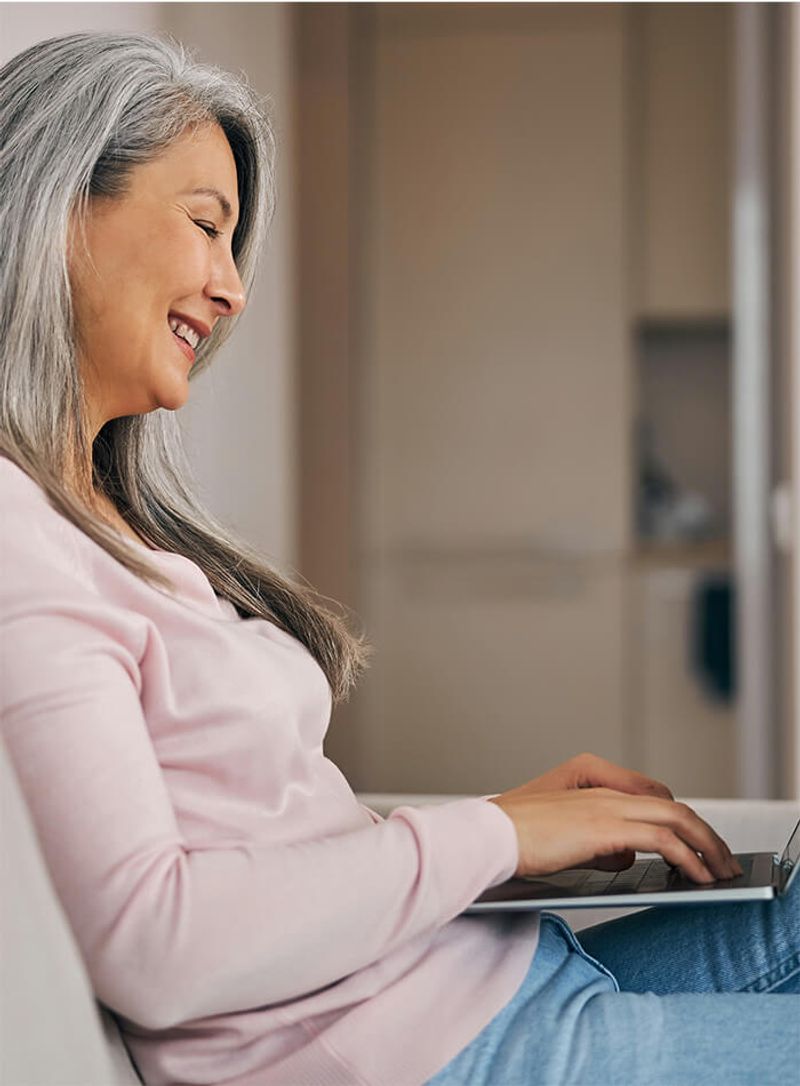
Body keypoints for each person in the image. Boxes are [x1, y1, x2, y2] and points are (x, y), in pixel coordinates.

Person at [0, 30, 797, 1086]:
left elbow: (253, 845)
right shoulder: (19, 543)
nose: (231, 289)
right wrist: (492, 835)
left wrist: (504, 830)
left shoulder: (102, 521)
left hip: (498, 983)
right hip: (446, 1055)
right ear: (57, 210)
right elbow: (155, 942)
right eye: (206, 226)